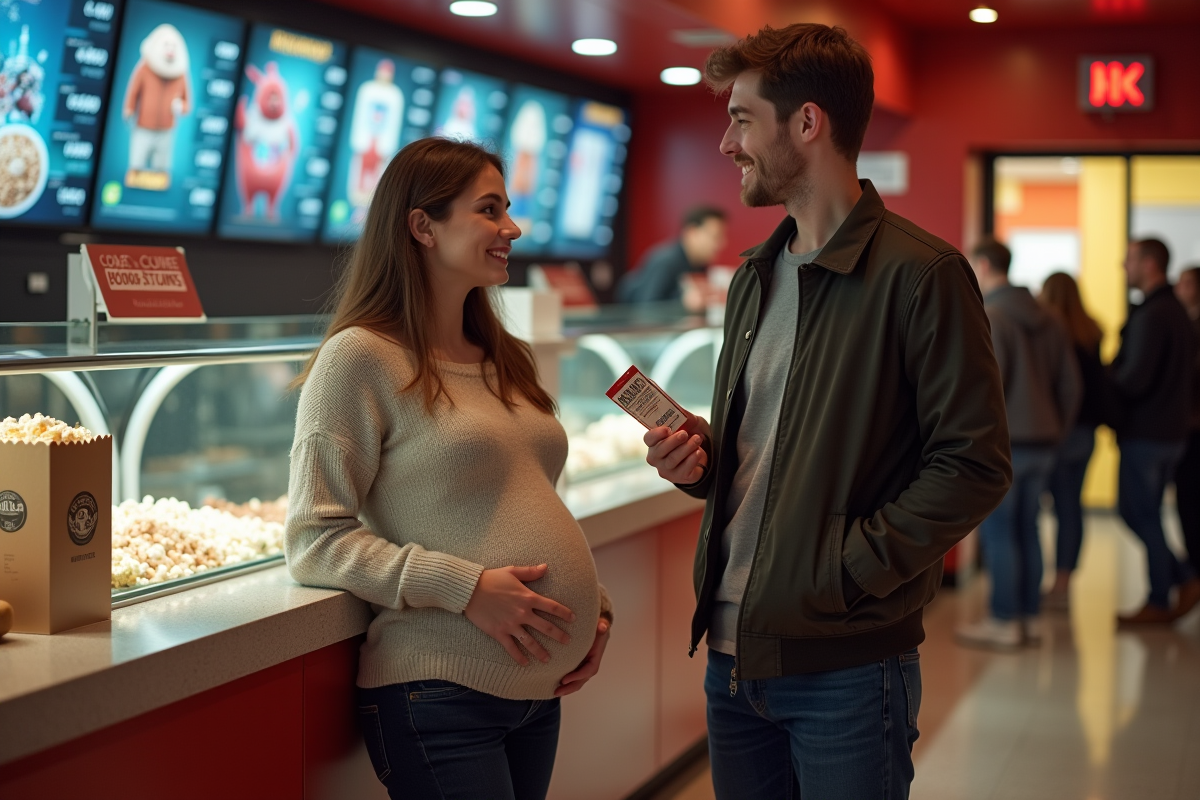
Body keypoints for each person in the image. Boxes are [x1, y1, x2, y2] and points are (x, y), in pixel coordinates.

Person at [641, 24, 1011, 800]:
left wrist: (847, 572)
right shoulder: (754, 276)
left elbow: (973, 465)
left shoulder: (923, 274)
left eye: (742, 119)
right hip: (730, 658)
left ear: (807, 122)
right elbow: (775, 448)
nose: (726, 144)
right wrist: (703, 461)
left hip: (847, 667)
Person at [284, 138, 613, 800]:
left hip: (537, 693)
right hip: (439, 695)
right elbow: (314, 539)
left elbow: (521, 498)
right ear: (422, 226)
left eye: (507, 209)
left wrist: (592, 611)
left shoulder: (505, 356)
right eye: (489, 210)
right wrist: (466, 588)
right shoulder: (359, 358)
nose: (512, 228)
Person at [957, 245, 1081, 650]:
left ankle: (1004, 619)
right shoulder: (1051, 318)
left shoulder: (992, 315)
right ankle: (1028, 617)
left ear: (983, 265)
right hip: (1045, 442)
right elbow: (1071, 386)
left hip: (1006, 444)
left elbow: (986, 390)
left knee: (1000, 533)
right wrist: (1056, 431)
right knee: (1028, 528)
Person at [1111, 239, 1200, 624]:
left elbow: (1134, 379)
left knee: (1139, 513)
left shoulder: (1153, 313)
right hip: (1172, 432)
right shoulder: (1177, 311)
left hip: (1147, 433)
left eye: (1129, 260)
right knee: (1145, 513)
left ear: (1149, 264)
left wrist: (1104, 381)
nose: (1123, 266)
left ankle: (1163, 597)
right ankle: (1180, 580)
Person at [1038, 272, 1109, 611]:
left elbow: (1062, 387)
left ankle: (1033, 583)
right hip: (1086, 432)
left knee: (1035, 507)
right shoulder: (1091, 330)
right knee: (1071, 508)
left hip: (1057, 430)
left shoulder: (1050, 332)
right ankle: (1063, 580)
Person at [616, 205, 727, 305]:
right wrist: (683, 302)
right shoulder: (666, 261)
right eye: (715, 236)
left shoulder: (700, 265)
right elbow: (646, 306)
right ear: (692, 232)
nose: (722, 243)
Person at [1175, 266, 1200, 578]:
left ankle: (1190, 575)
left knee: (1191, 502)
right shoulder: (1184, 321)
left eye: (1186, 283)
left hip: (1193, 426)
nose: (1179, 288)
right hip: (1185, 425)